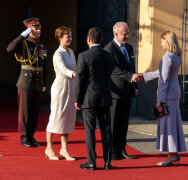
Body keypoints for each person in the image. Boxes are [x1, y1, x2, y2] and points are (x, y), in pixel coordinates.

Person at [142, 31, 186, 166]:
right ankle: (173, 153)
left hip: (167, 95)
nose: (161, 44)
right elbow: (161, 73)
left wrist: (159, 100)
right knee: (173, 124)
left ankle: (171, 155)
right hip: (174, 93)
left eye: (162, 41)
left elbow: (164, 80)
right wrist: (144, 76)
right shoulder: (176, 56)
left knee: (169, 125)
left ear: (167, 42)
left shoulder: (167, 57)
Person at [75, 27, 114, 170]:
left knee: (90, 131)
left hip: (88, 98)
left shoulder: (83, 56)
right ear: (101, 40)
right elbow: (109, 74)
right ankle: (107, 162)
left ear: (88, 39)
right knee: (107, 130)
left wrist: (77, 99)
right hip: (105, 97)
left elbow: (80, 79)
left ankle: (91, 162)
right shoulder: (109, 55)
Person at [7, 18, 47, 147]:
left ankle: (31, 135)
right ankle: (24, 137)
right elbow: (10, 48)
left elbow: (43, 66)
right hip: (25, 81)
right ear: (29, 30)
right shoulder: (23, 43)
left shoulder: (41, 45)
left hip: (38, 82)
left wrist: (44, 83)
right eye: (35, 28)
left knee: (34, 111)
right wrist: (22, 35)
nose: (39, 30)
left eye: (39, 28)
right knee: (24, 112)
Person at [104, 22, 141, 160]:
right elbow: (114, 69)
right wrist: (131, 77)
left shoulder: (129, 48)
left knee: (124, 123)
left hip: (127, 91)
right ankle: (112, 151)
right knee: (113, 123)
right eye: (124, 34)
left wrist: (135, 86)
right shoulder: (109, 49)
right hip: (115, 92)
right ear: (116, 34)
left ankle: (122, 148)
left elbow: (132, 67)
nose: (127, 36)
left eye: (128, 33)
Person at [45, 26, 76, 161]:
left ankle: (64, 149)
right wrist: (74, 74)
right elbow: (63, 69)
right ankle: (49, 148)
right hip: (60, 87)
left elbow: (75, 67)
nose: (70, 38)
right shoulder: (57, 54)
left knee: (67, 118)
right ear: (60, 38)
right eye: (67, 36)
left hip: (71, 86)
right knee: (55, 117)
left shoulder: (71, 52)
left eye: (70, 35)